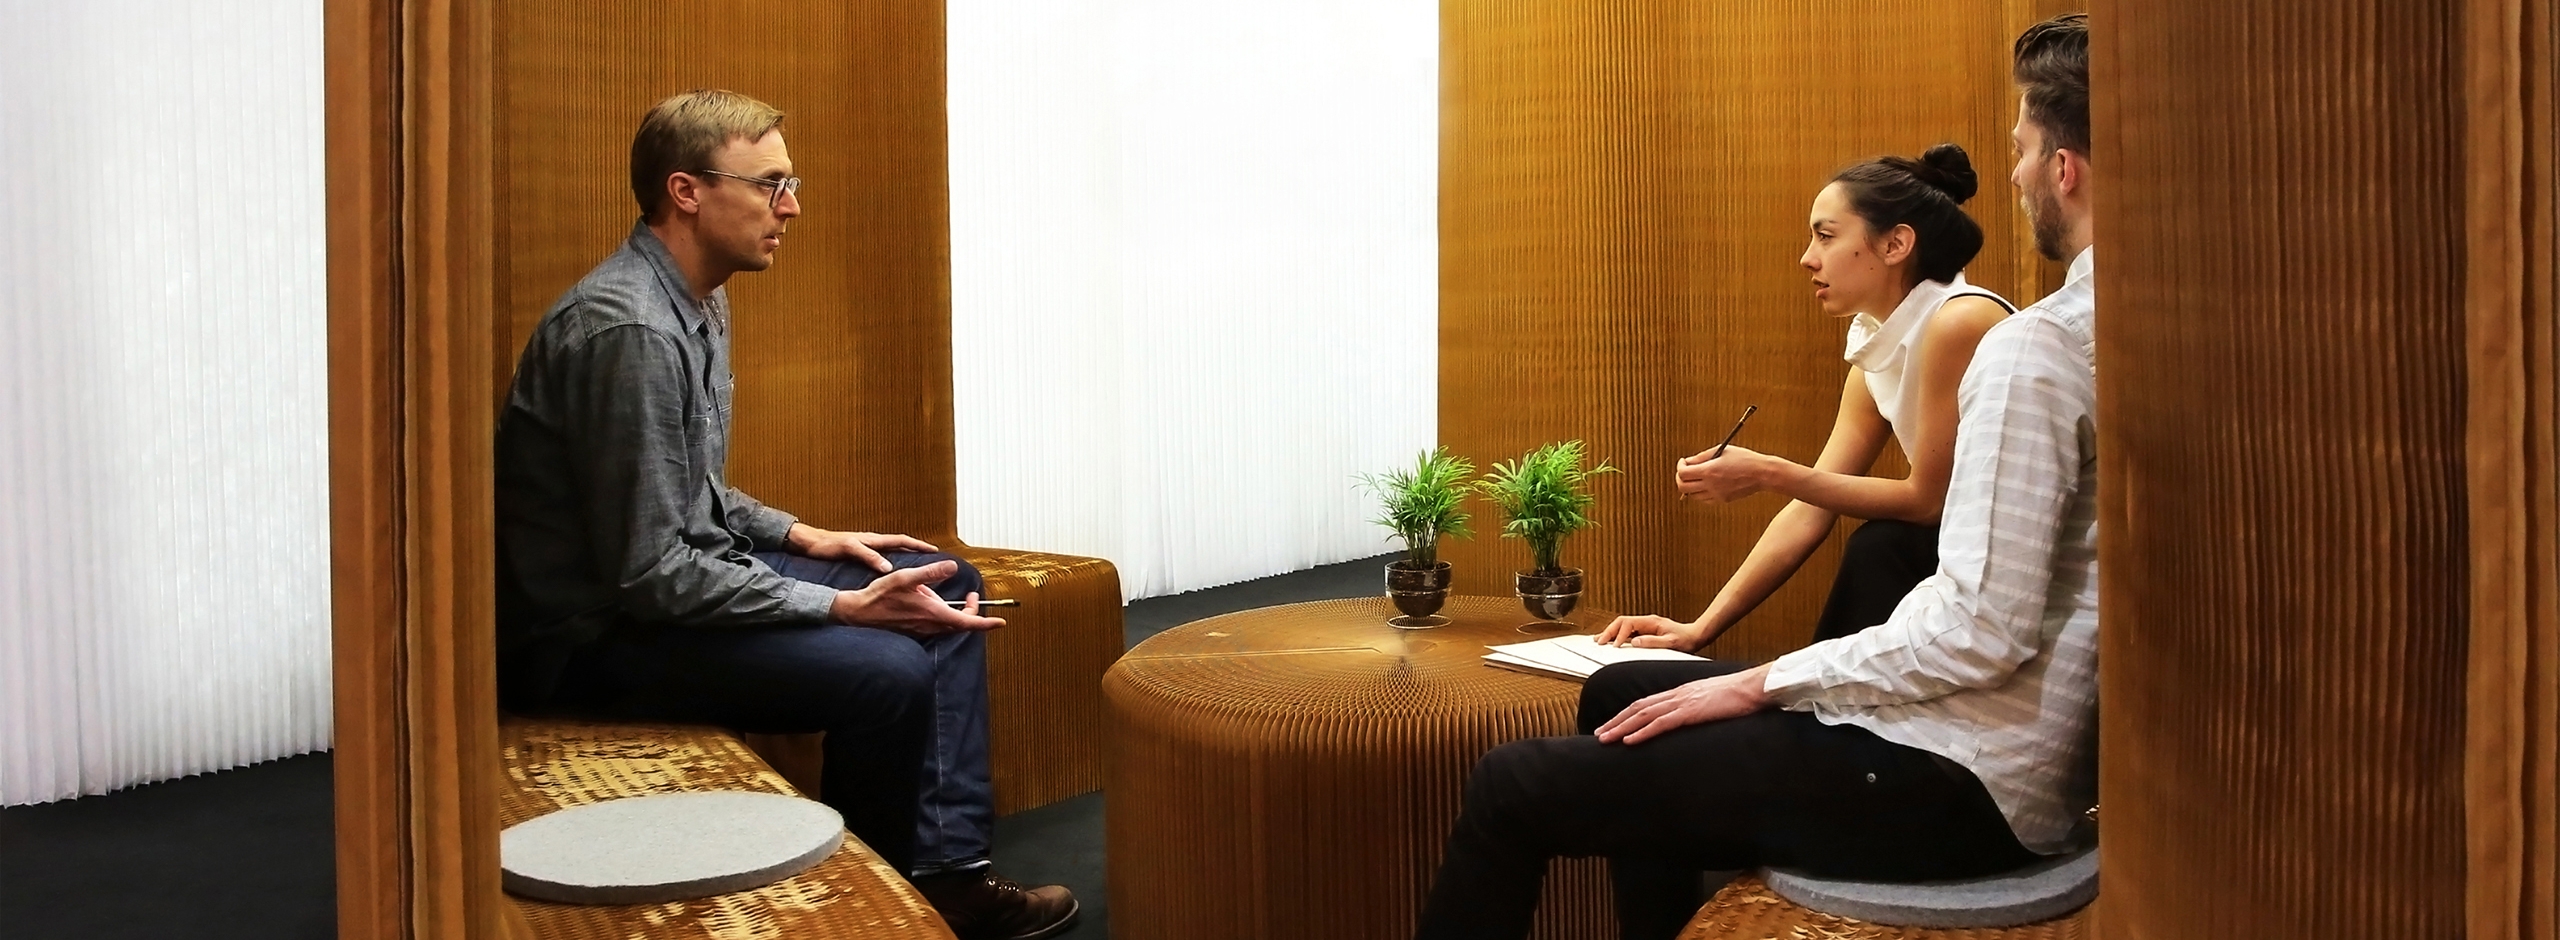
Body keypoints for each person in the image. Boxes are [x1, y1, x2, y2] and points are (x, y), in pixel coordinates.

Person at [1414, 15, 2098, 940]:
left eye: (2022, 149)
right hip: (1971, 722)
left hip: (1972, 772)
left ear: (2065, 167)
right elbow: (1826, 508)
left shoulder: (2010, 341)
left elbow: (1975, 618)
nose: (2013, 174)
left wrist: (1767, 682)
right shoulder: (2055, 332)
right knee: (1629, 690)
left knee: (1512, 783)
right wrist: (1702, 637)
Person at [493, 89, 1078, 940]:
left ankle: (944, 878)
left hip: (676, 584)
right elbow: (652, 574)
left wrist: (808, 536)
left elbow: (688, 489)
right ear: (686, 190)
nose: (791, 206)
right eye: (770, 185)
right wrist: (842, 605)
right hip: (594, 640)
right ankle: (871, 918)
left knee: (947, 586)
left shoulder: (696, 298)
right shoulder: (629, 331)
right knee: (888, 673)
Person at [1604, 145, 2011, 654]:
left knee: (1882, 543)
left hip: (2010, 580)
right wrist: (1698, 629)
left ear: (1896, 244)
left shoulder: (1960, 320)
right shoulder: (1876, 353)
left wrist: (1768, 472)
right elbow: (1809, 511)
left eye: (1825, 235)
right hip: (1956, 565)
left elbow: (1928, 502)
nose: (1807, 257)